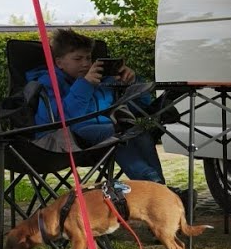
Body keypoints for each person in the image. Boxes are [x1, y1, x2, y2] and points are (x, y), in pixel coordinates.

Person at [27, 29, 184, 203]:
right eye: (78, 59)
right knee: (118, 132)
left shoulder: (102, 80)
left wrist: (132, 83)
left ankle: (158, 189)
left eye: (88, 58)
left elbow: (140, 106)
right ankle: (156, 188)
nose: (85, 63)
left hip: (105, 135)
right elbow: (64, 118)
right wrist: (85, 85)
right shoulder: (47, 83)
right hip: (61, 138)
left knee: (137, 131)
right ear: (59, 63)